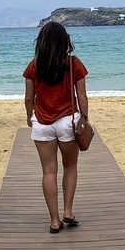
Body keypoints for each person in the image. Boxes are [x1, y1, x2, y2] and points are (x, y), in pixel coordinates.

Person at [23, 22, 89, 234]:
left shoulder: (34, 66)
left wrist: (29, 116)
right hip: (68, 121)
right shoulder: (73, 63)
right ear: (65, 40)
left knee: (48, 171)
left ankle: (54, 221)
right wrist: (85, 118)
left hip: (42, 122)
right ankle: (68, 211)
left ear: (41, 41)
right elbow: (82, 95)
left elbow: (28, 98)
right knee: (70, 166)